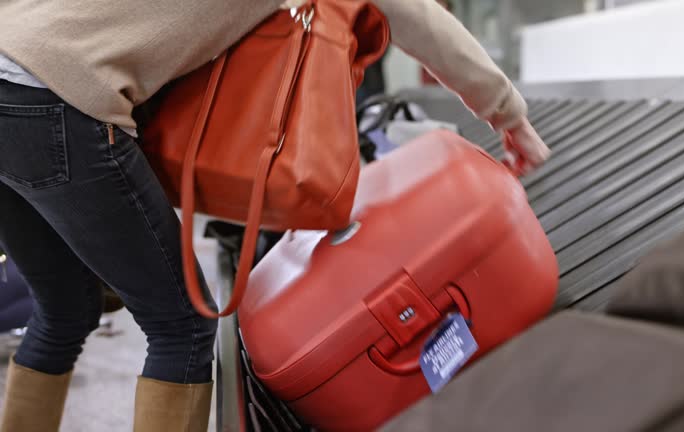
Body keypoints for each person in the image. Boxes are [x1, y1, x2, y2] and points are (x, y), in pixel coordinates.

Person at [0, 0, 550, 431]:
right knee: (183, 327)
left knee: (65, 309)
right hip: (56, 96)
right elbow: (413, 15)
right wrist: (508, 111)